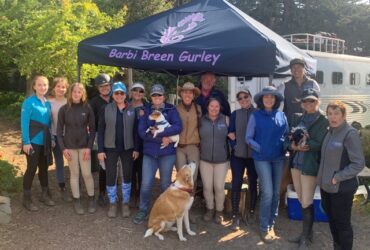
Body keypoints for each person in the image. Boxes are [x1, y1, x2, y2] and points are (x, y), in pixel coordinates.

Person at [317, 101, 365, 250]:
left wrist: (338, 177)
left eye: (336, 113)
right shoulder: (329, 131)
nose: (333, 117)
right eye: (330, 114)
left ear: (344, 115)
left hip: (341, 188)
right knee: (332, 220)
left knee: (342, 224)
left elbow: (358, 163)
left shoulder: (349, 134)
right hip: (327, 187)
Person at [133, 84, 182, 224]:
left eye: (159, 95)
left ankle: (166, 212)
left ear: (164, 97)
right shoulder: (145, 110)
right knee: (146, 184)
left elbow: (178, 127)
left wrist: (164, 134)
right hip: (149, 153)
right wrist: (162, 138)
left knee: (165, 184)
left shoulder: (171, 109)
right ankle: (143, 210)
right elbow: (142, 132)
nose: (157, 97)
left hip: (167, 153)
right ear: (151, 97)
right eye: (154, 95)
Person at [286, 88, 328, 248]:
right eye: (305, 101)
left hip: (310, 166)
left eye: (312, 101)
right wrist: (292, 146)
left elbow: (321, 143)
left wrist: (307, 144)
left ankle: (305, 237)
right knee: (301, 199)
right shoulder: (297, 118)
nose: (308, 104)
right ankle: (306, 234)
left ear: (318, 101)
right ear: (301, 103)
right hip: (296, 164)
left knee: (306, 201)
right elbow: (287, 138)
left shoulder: (324, 120)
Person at [246, 86, 288, 243]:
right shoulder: (255, 116)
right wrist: (260, 148)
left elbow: (286, 135)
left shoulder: (282, 115)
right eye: (266, 97)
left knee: (276, 193)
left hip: (278, 158)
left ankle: (271, 223)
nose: (269, 99)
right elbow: (248, 138)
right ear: (261, 100)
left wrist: (287, 144)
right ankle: (264, 227)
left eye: (272, 97)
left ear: (275, 100)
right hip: (261, 158)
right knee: (268, 193)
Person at [97, 82, 139, 218]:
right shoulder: (105, 108)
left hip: (128, 148)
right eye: (117, 93)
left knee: (127, 175)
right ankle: (113, 203)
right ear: (112, 94)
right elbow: (101, 130)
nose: (119, 95)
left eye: (122, 93)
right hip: (110, 148)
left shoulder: (132, 109)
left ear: (126, 94)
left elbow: (135, 131)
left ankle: (125, 203)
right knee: (110, 174)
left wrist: (136, 148)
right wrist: (100, 150)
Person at [57, 83, 96, 215]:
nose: (76, 94)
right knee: (74, 174)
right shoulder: (64, 109)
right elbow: (58, 131)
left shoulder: (87, 108)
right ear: (70, 93)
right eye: (74, 91)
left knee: (87, 174)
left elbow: (93, 130)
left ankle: (91, 199)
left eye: (79, 92)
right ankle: (77, 200)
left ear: (83, 94)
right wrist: (63, 149)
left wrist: (89, 148)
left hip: (85, 147)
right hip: (70, 147)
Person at [21, 75, 55, 211]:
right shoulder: (29, 102)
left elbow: (49, 123)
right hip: (33, 141)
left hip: (45, 141)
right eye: (40, 85)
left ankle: (45, 195)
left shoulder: (47, 103)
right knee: (31, 168)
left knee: (44, 168)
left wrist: (51, 139)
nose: (43, 87)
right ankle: (26, 198)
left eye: (45, 85)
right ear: (34, 86)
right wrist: (26, 142)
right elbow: (24, 123)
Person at [228, 87, 258, 230]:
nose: (243, 100)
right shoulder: (235, 114)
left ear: (250, 97)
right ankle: (235, 215)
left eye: (245, 96)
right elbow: (230, 132)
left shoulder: (258, 113)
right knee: (236, 184)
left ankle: (251, 212)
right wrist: (234, 145)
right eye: (240, 98)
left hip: (253, 156)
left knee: (253, 183)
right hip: (238, 156)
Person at [199, 98, 229, 224]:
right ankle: (209, 209)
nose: (214, 108)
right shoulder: (201, 120)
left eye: (217, 106)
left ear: (220, 107)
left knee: (218, 186)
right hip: (204, 159)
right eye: (212, 106)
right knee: (207, 187)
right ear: (208, 107)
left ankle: (219, 211)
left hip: (222, 160)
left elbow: (234, 134)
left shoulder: (226, 119)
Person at [89, 73, 112, 206]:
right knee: (103, 166)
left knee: (115, 165)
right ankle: (102, 193)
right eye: (102, 86)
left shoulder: (116, 98)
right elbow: (91, 122)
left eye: (107, 85)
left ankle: (113, 191)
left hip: (115, 136)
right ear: (98, 88)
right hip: (100, 135)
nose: (105, 88)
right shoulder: (94, 102)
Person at [48, 77, 72, 202]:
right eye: (58, 86)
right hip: (55, 136)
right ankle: (62, 185)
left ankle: (75, 186)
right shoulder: (48, 103)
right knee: (59, 161)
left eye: (63, 87)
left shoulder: (70, 102)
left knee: (72, 161)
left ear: (66, 88)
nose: (61, 89)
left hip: (69, 136)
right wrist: (51, 138)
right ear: (53, 88)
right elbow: (49, 122)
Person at [175, 82, 202, 187]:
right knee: (181, 176)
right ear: (181, 94)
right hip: (179, 147)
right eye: (185, 92)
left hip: (193, 146)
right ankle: (180, 201)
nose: (187, 95)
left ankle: (190, 201)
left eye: (190, 92)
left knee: (192, 177)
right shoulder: (176, 109)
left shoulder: (198, 109)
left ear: (194, 95)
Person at [280, 58, 320, 125]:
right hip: (290, 123)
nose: (296, 70)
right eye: (293, 68)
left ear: (304, 69)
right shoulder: (284, 85)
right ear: (291, 70)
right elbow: (279, 106)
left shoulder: (313, 83)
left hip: (310, 123)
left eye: (299, 67)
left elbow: (317, 104)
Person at [129, 82, 147, 207]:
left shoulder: (147, 107)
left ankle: (140, 196)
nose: (138, 93)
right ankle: (131, 196)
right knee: (130, 171)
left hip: (143, 145)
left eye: (141, 91)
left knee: (142, 172)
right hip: (128, 144)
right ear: (131, 91)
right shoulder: (125, 105)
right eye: (135, 90)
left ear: (144, 94)